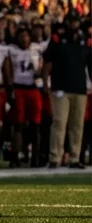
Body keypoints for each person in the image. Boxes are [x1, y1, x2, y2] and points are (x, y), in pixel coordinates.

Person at [43, 21, 90, 168]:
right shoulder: (57, 40)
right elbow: (47, 60)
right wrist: (46, 82)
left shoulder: (86, 42)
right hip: (61, 88)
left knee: (77, 125)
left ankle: (74, 158)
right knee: (59, 123)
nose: (75, 26)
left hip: (79, 88)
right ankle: (55, 157)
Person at [4, 25, 43, 167]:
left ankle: (35, 157)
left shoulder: (36, 49)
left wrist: (38, 70)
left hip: (33, 89)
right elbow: (7, 71)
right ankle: (15, 157)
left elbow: (41, 68)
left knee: (36, 125)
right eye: (21, 36)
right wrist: (10, 91)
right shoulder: (12, 50)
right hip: (19, 89)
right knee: (18, 125)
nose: (24, 38)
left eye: (26, 35)